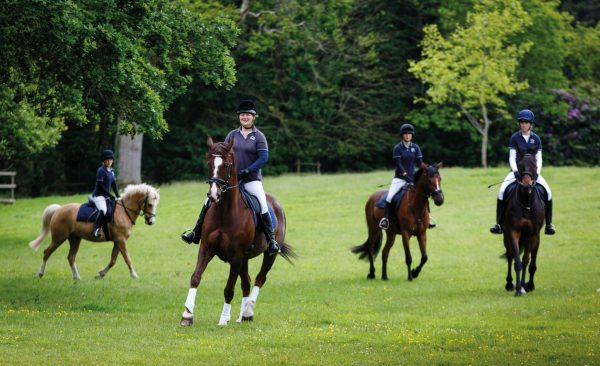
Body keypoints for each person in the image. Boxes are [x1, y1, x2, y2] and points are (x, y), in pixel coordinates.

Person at [181, 100, 281, 255]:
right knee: (208, 200)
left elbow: (264, 158)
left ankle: (272, 241)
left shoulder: (259, 136)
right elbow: (223, 154)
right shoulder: (232, 135)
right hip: (230, 180)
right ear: (239, 117)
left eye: (248, 115)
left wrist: (248, 171)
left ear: (254, 117)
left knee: (262, 203)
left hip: (251, 179)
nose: (245, 117)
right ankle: (195, 233)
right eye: (242, 115)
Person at [490, 109, 556, 235]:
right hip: (517, 172)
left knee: (548, 192)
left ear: (531, 124)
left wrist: (537, 173)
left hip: (533, 173)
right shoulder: (515, 137)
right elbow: (511, 157)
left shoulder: (536, 139)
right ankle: (498, 224)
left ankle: (549, 224)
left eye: (526, 122)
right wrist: (515, 171)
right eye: (521, 122)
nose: (523, 125)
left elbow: (539, 158)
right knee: (502, 191)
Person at [379, 123, 435, 230]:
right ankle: (385, 219)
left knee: (424, 195)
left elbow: (420, 163)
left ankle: (427, 219)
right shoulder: (397, 148)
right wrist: (405, 175)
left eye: (410, 134)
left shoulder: (416, 147)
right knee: (390, 196)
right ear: (402, 135)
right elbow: (399, 164)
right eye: (405, 134)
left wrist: (428, 168)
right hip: (400, 178)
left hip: (413, 178)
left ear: (412, 135)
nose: (408, 135)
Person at [91, 149, 120, 237]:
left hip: (106, 195)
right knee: (103, 210)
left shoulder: (111, 170)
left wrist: (118, 196)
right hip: (98, 195)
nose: (109, 161)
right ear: (104, 161)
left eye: (110, 159)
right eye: (107, 160)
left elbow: (114, 184)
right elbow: (100, 187)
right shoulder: (100, 170)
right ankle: (96, 229)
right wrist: (110, 195)